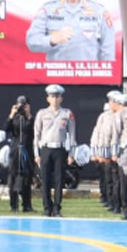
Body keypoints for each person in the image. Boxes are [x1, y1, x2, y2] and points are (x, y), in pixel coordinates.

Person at [32, 85, 76, 217]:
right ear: (48, 98)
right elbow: (37, 134)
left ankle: (57, 207)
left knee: (59, 180)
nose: (55, 99)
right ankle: (47, 208)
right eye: (52, 96)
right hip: (46, 148)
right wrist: (36, 153)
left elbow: (72, 135)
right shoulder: (42, 113)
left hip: (60, 148)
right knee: (45, 180)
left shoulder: (67, 114)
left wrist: (72, 153)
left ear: (61, 98)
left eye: (57, 96)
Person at [4, 95, 35, 213]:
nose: (22, 107)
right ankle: (14, 205)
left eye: (24, 105)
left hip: (27, 150)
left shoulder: (31, 119)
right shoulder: (14, 118)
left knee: (27, 178)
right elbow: (6, 129)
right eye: (20, 104)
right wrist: (11, 115)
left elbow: (35, 131)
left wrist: (28, 115)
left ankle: (27, 205)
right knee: (13, 177)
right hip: (15, 150)